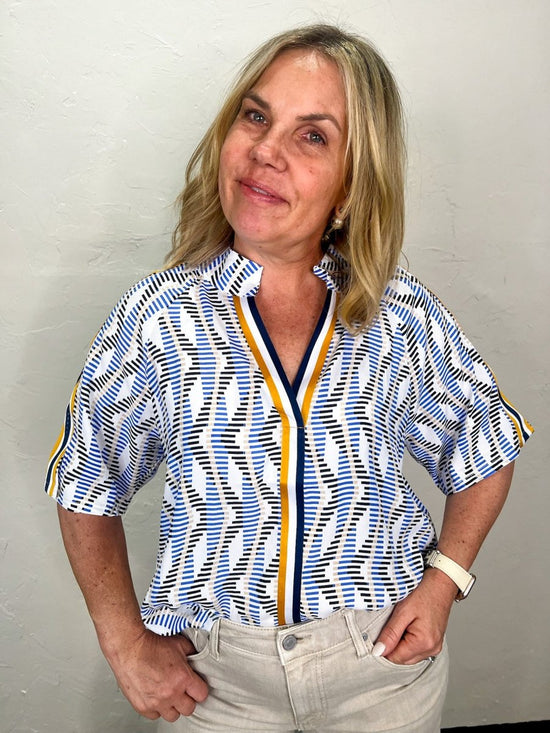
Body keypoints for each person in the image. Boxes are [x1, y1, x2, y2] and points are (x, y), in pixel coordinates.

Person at [45, 24, 532, 732]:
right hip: (215, 683)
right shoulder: (158, 318)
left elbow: (488, 447)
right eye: (256, 116)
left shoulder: (398, 315)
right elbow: (86, 483)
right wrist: (124, 642)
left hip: (381, 672)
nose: (266, 151)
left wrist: (444, 582)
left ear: (350, 185)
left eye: (312, 136)